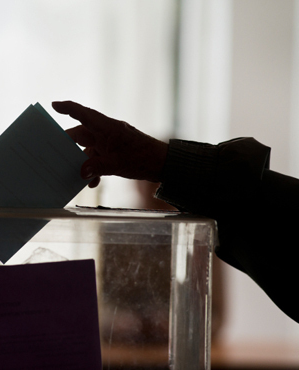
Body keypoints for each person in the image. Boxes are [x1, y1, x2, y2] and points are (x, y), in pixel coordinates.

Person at [52, 100, 299, 324]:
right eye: (149, 181)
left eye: (157, 184)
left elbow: (216, 315)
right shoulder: (119, 231)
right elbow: (104, 306)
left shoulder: (202, 231)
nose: (154, 191)